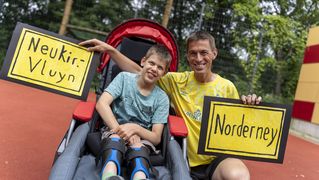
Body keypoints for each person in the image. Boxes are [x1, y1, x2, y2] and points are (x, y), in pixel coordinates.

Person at [80, 31, 261, 180]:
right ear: (188, 56)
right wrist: (111, 50)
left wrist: (250, 106)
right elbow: (139, 73)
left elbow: (239, 128)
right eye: (193, 53)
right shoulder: (176, 80)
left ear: (214, 53)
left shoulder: (227, 87)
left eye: (204, 52)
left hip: (217, 159)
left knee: (238, 176)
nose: (198, 58)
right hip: (186, 159)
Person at [82, 42, 172, 180]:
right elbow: (102, 104)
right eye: (152, 63)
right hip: (114, 129)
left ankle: (140, 177)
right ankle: (109, 176)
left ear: (164, 73)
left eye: (160, 68)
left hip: (141, 138)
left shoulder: (162, 98)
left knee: (138, 148)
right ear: (143, 61)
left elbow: (156, 137)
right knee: (115, 140)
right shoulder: (124, 78)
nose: (154, 69)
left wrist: (136, 129)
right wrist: (122, 132)